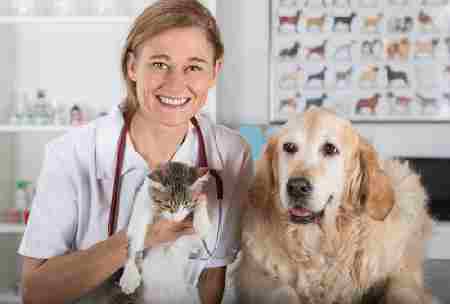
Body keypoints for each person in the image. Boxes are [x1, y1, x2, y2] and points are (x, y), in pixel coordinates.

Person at [18, 1, 253, 303]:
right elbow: (35, 292)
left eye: (193, 66)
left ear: (214, 71)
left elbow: (212, 272)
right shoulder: (71, 154)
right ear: (132, 67)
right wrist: (139, 237)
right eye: (159, 64)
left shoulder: (231, 154)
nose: (175, 83)